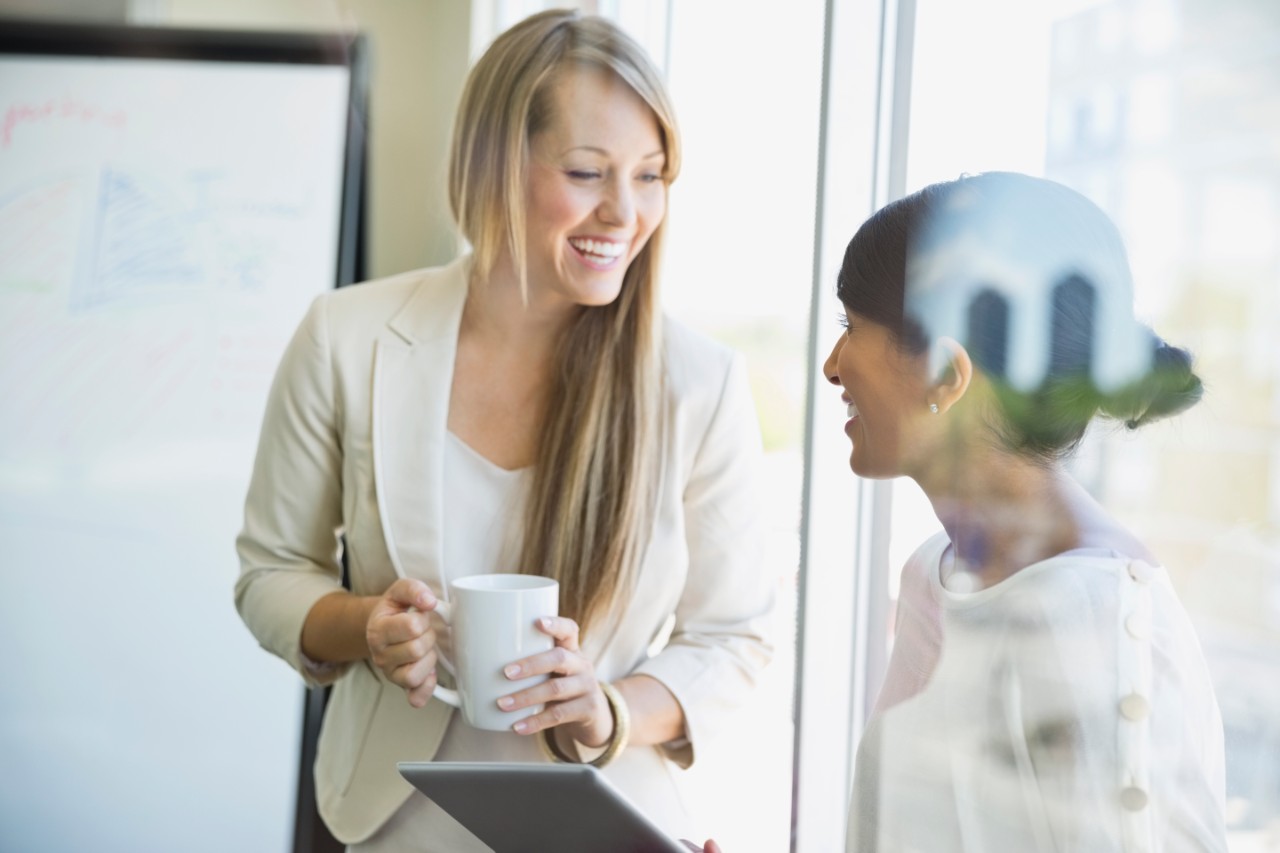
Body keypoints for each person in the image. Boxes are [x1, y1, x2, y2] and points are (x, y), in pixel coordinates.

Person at [234, 9, 773, 851]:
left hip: (603, 823)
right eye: (589, 171)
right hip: (388, 822)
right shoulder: (347, 336)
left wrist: (611, 709)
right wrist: (367, 627)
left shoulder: (699, 383)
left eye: (651, 175)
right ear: (493, 166)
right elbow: (270, 573)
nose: (625, 213)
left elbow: (736, 636)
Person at [702, 171, 1227, 852]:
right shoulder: (936, 574)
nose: (832, 365)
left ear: (948, 376)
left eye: (851, 326)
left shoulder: (1088, 618)